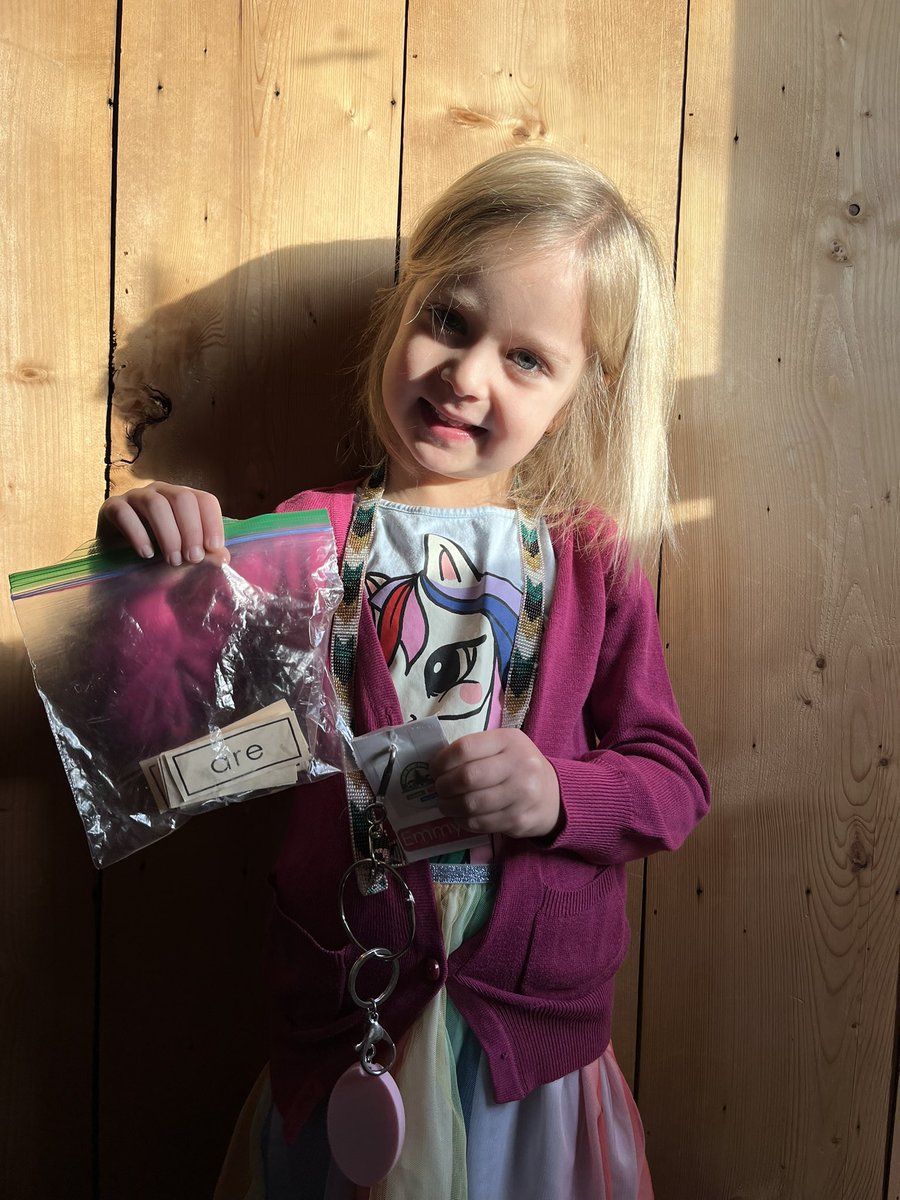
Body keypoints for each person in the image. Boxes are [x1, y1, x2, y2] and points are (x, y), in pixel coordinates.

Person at [98, 146, 710, 1200]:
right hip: (350, 1029)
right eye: (451, 321)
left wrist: (563, 790)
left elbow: (673, 778)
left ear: (577, 396)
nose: (467, 376)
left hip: (532, 1058)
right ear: (402, 310)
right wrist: (153, 587)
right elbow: (171, 747)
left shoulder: (593, 561)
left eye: (527, 360)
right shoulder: (296, 540)